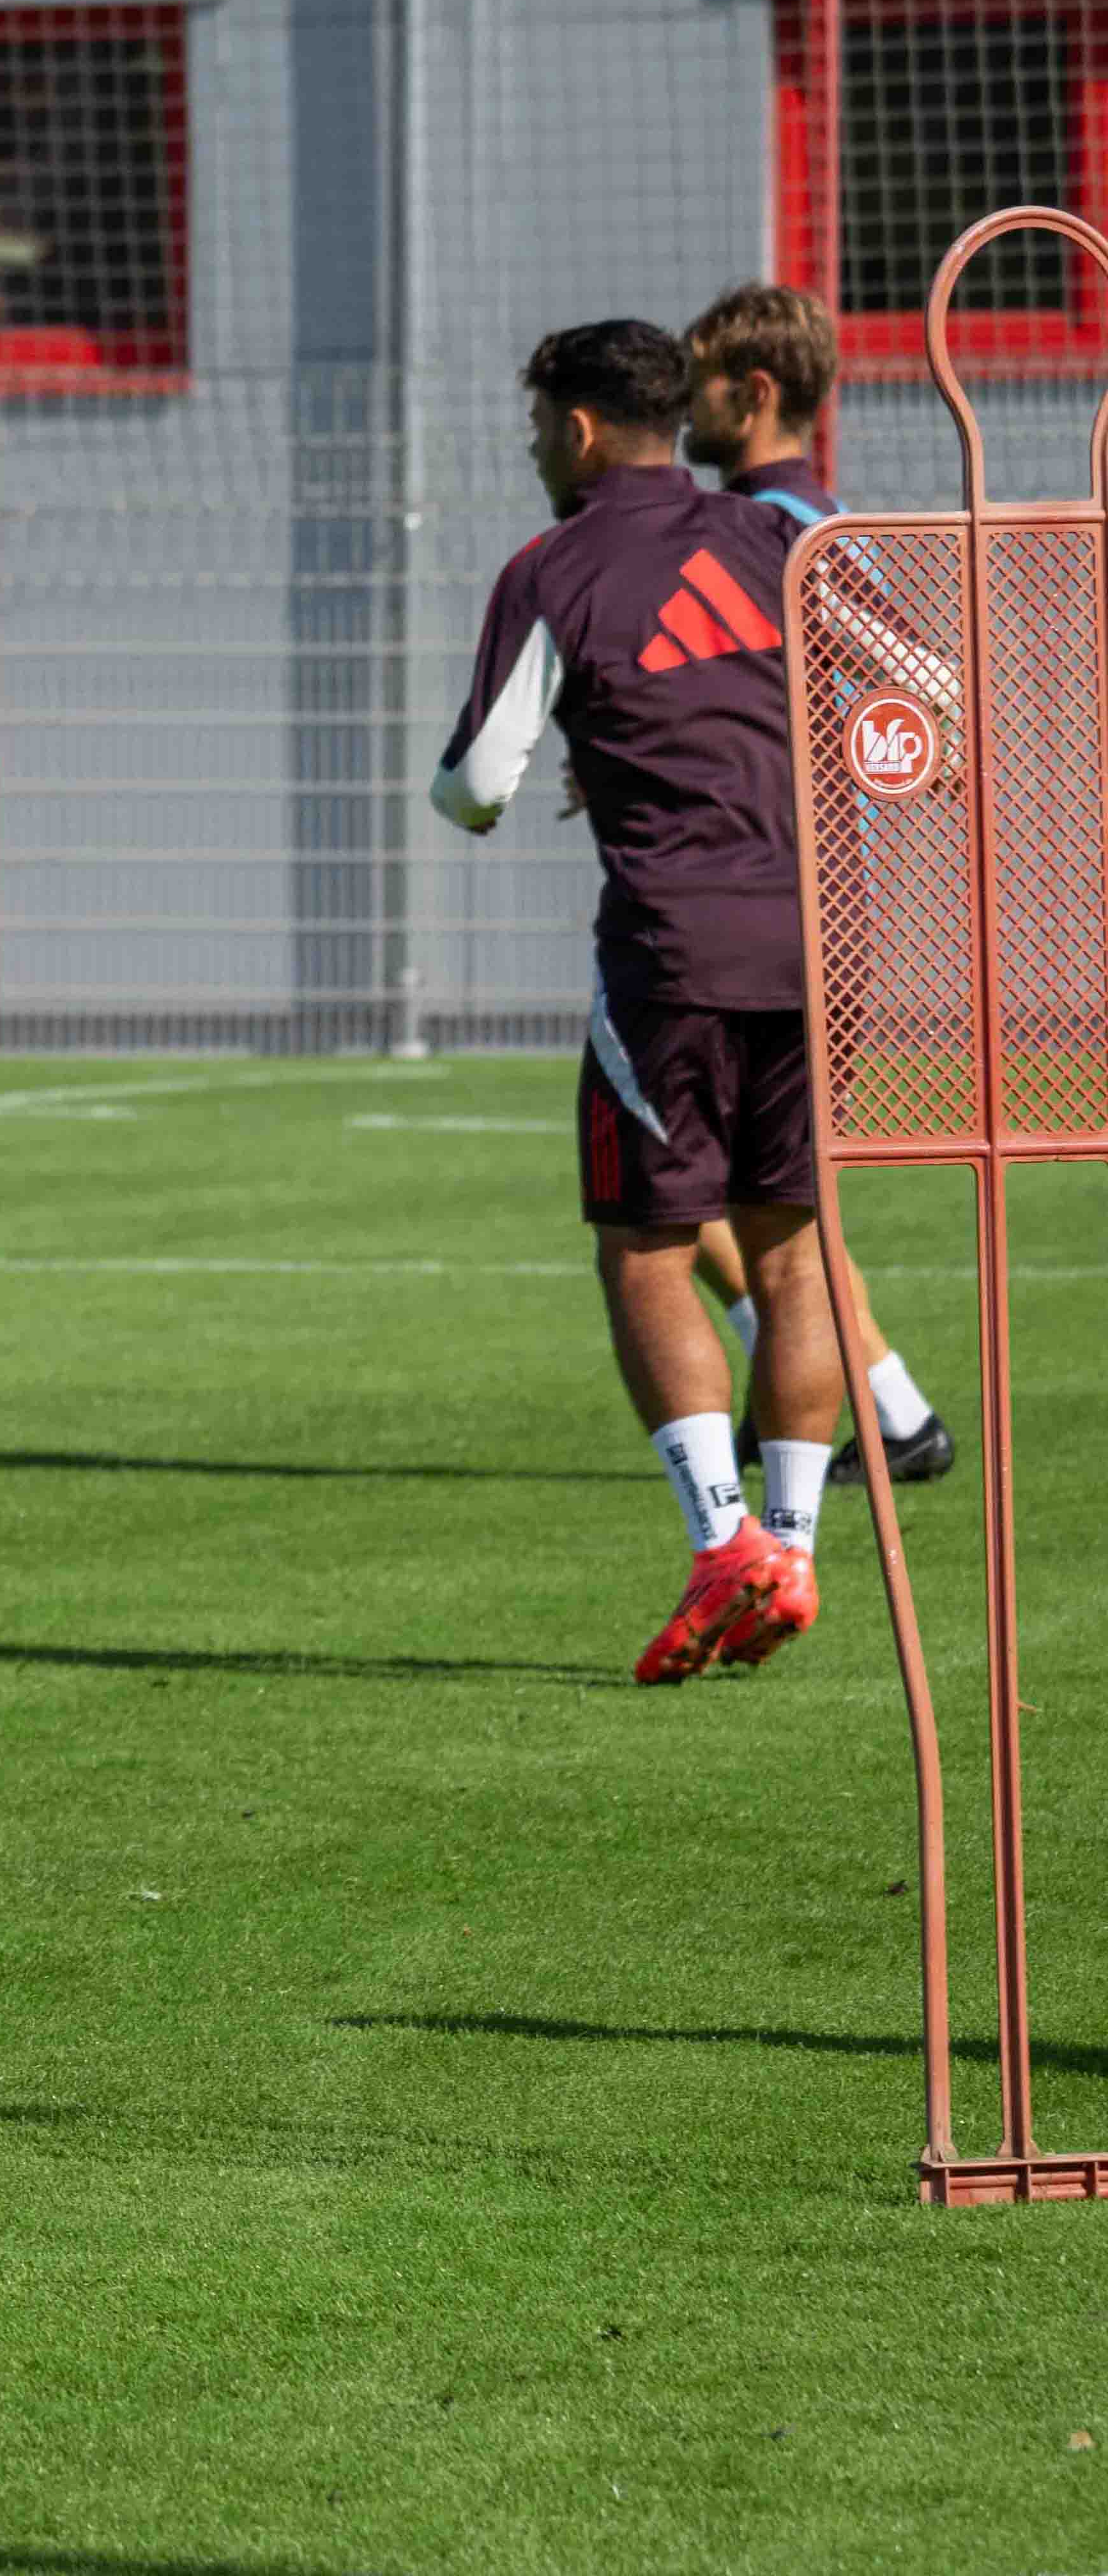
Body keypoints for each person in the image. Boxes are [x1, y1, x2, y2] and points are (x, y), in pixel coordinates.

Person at [432, 321, 835, 1680]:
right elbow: (921, 696)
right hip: (815, 947)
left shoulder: (551, 568)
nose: (536, 448)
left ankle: (723, 1542)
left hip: (670, 955)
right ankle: (791, 1543)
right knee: (792, 1255)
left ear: (583, 428)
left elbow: (478, 782)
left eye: (540, 424)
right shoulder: (778, 540)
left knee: (649, 1248)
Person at [678, 278, 951, 1486]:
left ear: (759, 391)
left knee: (714, 1204)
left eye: (701, 382)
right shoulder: (755, 523)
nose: (684, 407)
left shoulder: (788, 530)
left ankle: (866, 1410)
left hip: (787, 915)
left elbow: (921, 684)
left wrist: (817, 781)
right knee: (717, 1203)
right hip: (769, 910)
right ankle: (887, 1409)